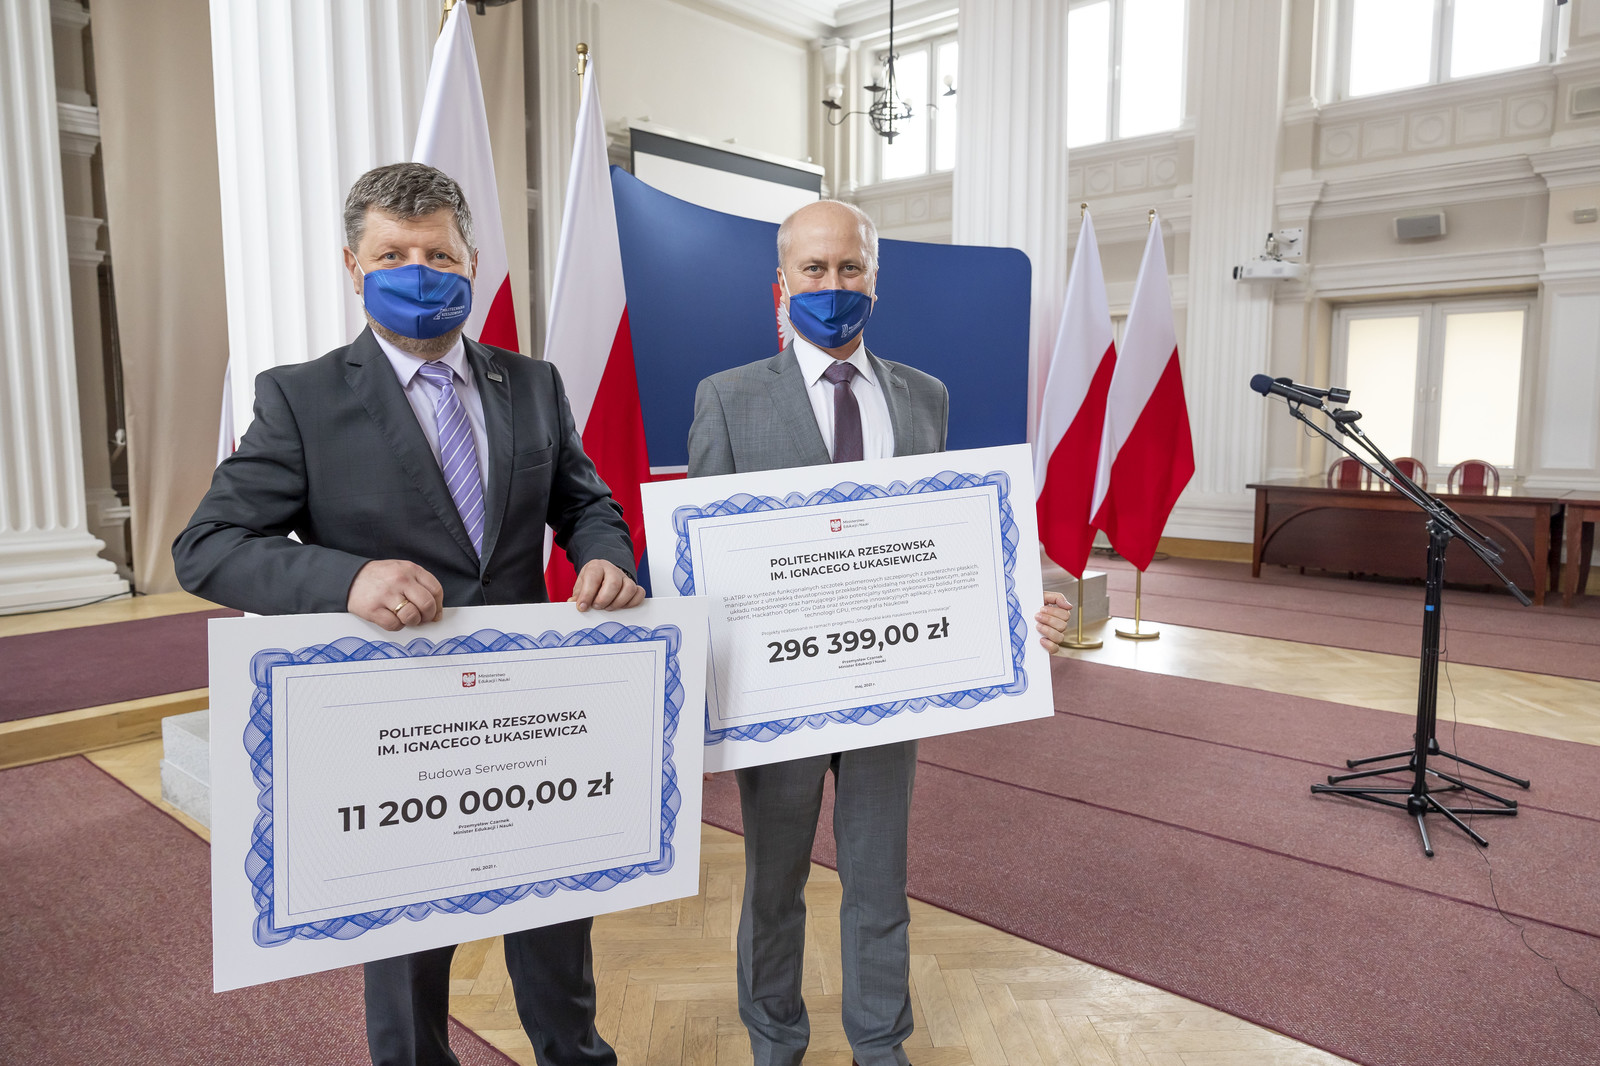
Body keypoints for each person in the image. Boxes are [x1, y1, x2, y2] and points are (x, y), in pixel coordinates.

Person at [173, 162, 640, 1066]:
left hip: (533, 715)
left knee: (555, 930)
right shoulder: (301, 398)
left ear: (472, 264)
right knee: (407, 962)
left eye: (439, 255)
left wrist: (604, 555)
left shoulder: (533, 383)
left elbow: (585, 503)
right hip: (392, 731)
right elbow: (208, 546)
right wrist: (345, 579)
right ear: (354, 266)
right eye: (393, 255)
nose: (418, 273)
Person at [687, 199, 1072, 1066]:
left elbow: (949, 545)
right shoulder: (728, 398)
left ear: (875, 278)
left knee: (879, 882)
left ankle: (879, 1042)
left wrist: (1019, 612)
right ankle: (774, 1041)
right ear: (782, 283)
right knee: (774, 885)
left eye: (850, 267)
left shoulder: (924, 397)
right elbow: (705, 562)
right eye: (814, 269)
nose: (833, 284)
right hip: (777, 694)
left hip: (890, 691)